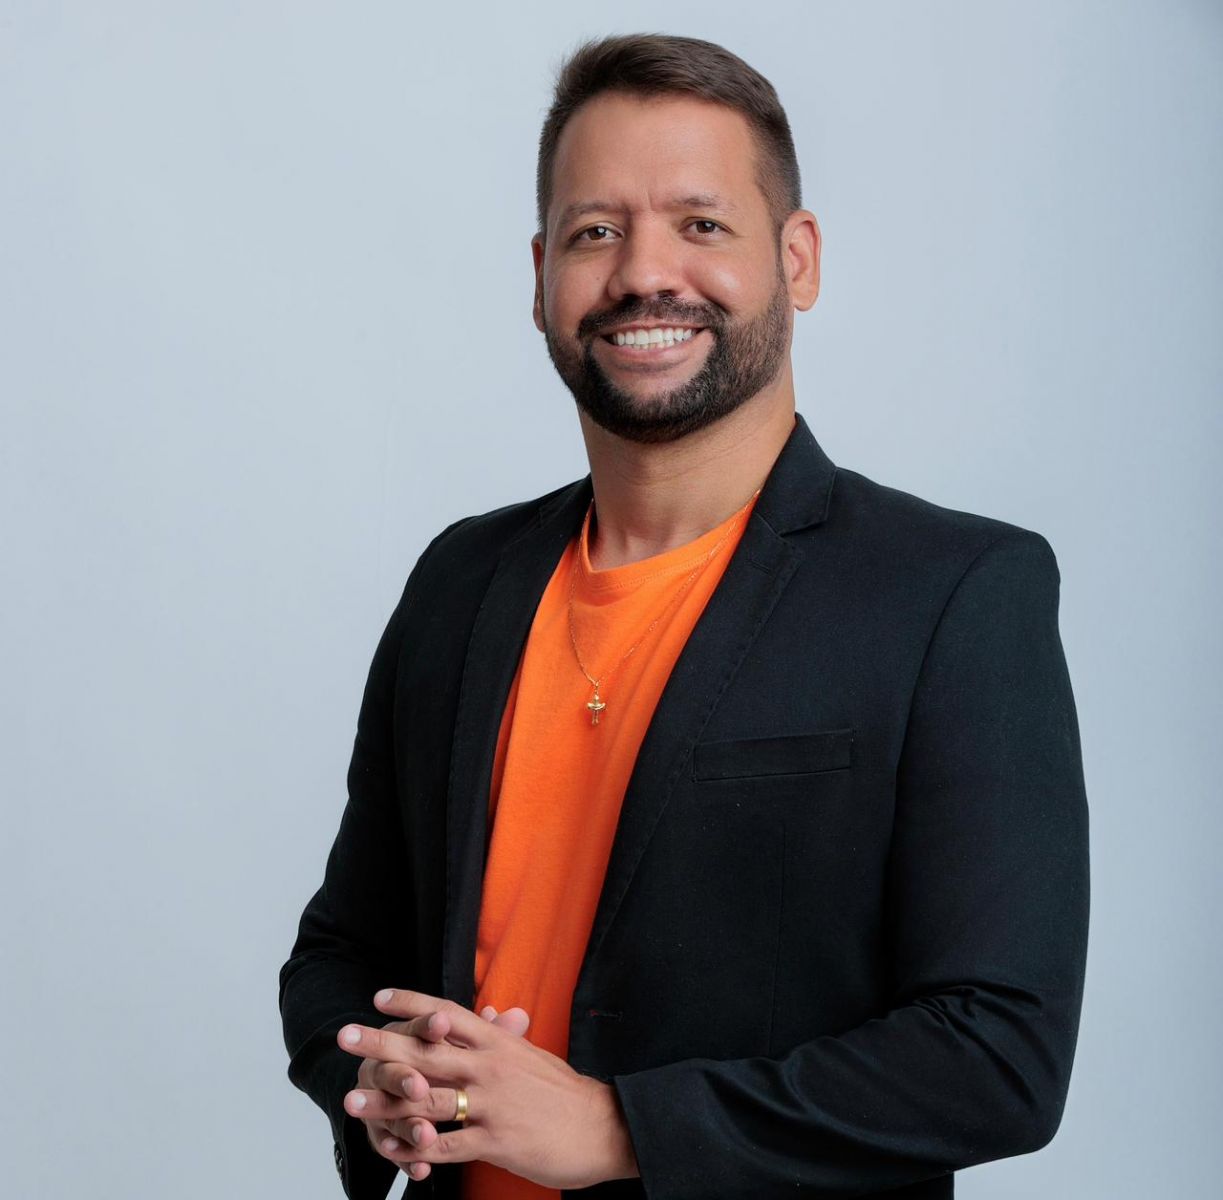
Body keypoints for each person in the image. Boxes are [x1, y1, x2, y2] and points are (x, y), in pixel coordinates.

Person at [278, 32, 1089, 1200]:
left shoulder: (954, 591)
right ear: (541, 276)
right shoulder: (460, 578)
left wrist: (618, 1128)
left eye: (699, 223)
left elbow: (996, 1056)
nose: (640, 273)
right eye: (592, 232)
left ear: (796, 260)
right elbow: (340, 951)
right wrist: (379, 1076)